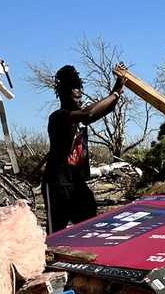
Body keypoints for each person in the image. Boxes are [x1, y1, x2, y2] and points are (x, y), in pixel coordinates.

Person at [42, 63, 125, 233]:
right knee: (56, 234)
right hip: (58, 185)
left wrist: (119, 86)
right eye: (75, 97)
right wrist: (115, 93)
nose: (79, 101)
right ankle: (50, 258)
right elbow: (89, 114)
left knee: (90, 223)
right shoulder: (59, 117)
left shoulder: (79, 116)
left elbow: (104, 109)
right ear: (64, 97)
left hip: (77, 182)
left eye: (81, 97)